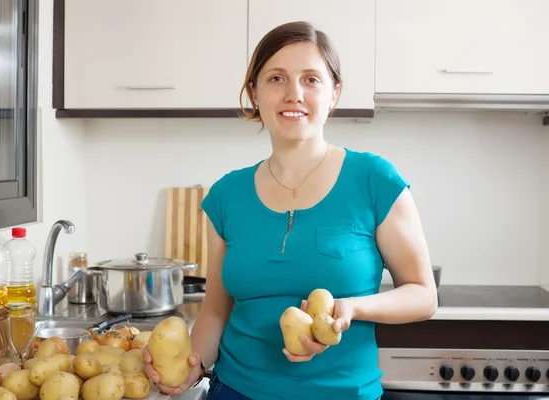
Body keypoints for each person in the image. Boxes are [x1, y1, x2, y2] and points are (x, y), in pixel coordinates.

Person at [143, 21, 438, 400]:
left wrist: (352, 308)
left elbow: (422, 295)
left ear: (334, 93)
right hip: (235, 391)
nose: (294, 94)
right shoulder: (226, 195)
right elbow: (215, 312)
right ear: (254, 92)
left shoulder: (374, 180)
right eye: (277, 78)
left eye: (311, 80)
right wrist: (191, 365)